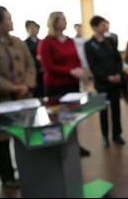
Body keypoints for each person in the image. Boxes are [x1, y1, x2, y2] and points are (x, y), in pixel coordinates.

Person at [37, 11, 90, 156]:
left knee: (72, 116)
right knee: (56, 118)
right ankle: (58, 148)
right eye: (62, 20)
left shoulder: (69, 40)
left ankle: (74, 146)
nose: (65, 22)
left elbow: (76, 58)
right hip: (55, 86)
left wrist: (79, 69)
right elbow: (48, 65)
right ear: (54, 23)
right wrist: (71, 71)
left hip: (72, 84)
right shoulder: (47, 41)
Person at [0, 6, 36, 188]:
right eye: (8, 18)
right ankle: (7, 176)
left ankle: (28, 170)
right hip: (4, 100)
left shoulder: (18, 42)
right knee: (4, 140)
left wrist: (27, 85)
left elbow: (31, 65)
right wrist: (12, 88)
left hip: (23, 97)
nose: (12, 22)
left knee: (25, 134)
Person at [85, 16, 125, 147]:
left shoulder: (110, 41)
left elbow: (118, 59)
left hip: (115, 82)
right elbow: (93, 66)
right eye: (103, 25)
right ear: (95, 27)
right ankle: (105, 136)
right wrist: (107, 77)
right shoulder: (89, 45)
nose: (106, 27)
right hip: (102, 83)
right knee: (103, 111)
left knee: (116, 109)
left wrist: (118, 74)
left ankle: (117, 134)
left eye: (106, 24)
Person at [25, 20, 44, 97]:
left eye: (35, 27)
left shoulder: (42, 42)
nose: (33, 29)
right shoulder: (25, 43)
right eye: (31, 27)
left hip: (42, 72)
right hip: (32, 72)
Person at [73, 23, 89, 92]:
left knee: (85, 81)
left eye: (79, 28)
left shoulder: (85, 40)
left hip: (85, 63)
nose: (78, 30)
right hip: (76, 64)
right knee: (77, 82)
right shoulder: (72, 40)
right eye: (77, 28)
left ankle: (86, 94)